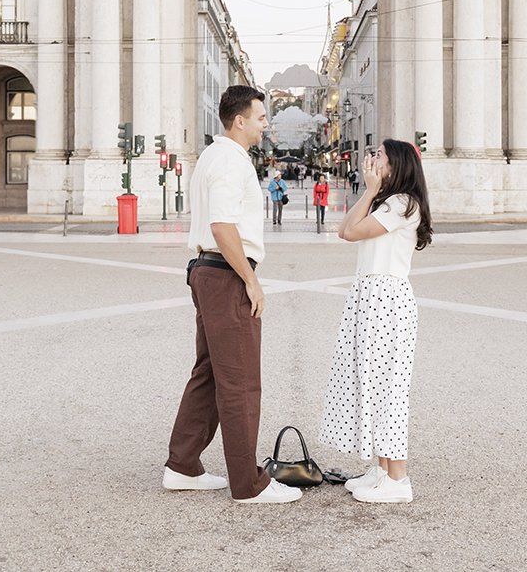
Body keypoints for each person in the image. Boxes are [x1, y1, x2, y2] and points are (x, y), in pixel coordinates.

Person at [164, 85, 300, 504]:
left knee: (209, 373)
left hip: (209, 273)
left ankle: (183, 465)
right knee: (240, 380)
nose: (265, 125)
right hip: (225, 275)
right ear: (239, 120)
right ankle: (248, 483)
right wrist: (251, 280)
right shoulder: (229, 159)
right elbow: (223, 226)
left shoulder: (213, 155)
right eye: (261, 118)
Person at [320, 138, 434, 504]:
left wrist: (369, 191)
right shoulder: (388, 201)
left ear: (397, 164)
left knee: (388, 389)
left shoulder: (403, 204)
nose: (373, 158)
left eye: (380, 155)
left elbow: (351, 232)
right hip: (371, 298)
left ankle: (398, 479)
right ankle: (382, 468)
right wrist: (370, 193)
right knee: (370, 382)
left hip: (386, 301)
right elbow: (343, 230)